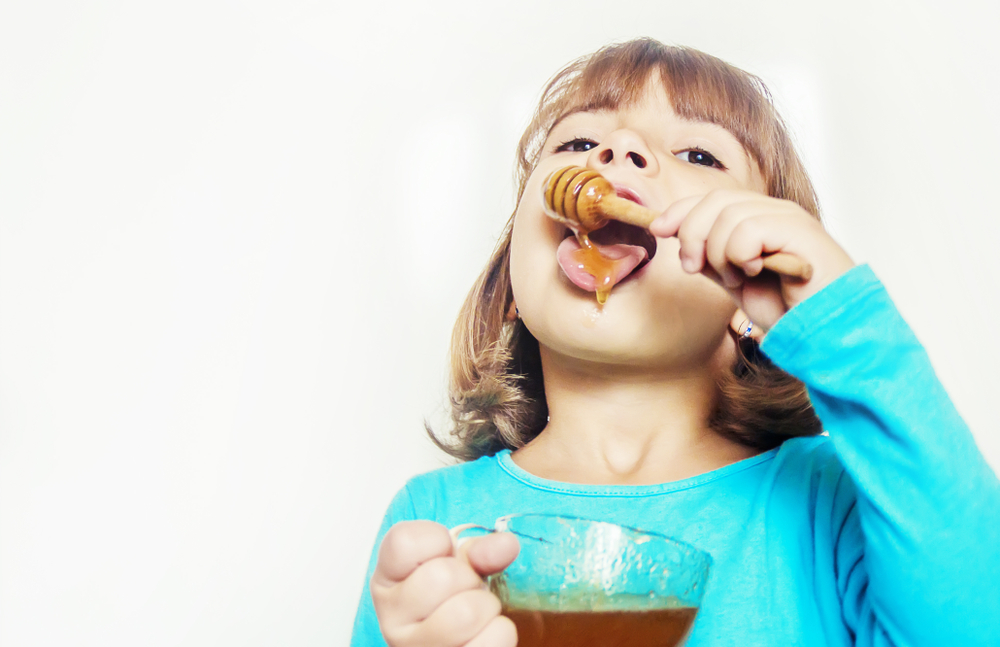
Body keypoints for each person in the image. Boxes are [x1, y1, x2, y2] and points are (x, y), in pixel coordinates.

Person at [350, 38, 1000, 646]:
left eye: (697, 156)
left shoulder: (831, 504)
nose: (618, 151)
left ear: (756, 292)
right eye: (578, 141)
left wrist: (839, 320)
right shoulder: (433, 525)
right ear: (510, 288)